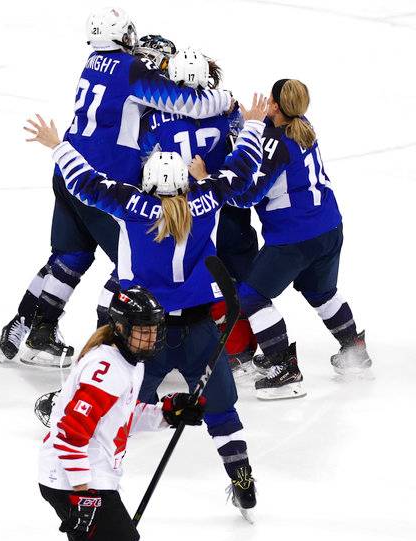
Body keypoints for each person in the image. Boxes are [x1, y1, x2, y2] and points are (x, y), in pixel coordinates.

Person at [25, 92, 268, 517]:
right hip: (199, 330)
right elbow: (242, 171)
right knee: (222, 412)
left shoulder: (135, 207)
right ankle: (242, 480)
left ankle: (77, 443)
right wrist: (253, 125)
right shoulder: (204, 201)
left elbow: (86, 183)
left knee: (117, 407)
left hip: (142, 333)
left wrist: (57, 144)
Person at [0, 10, 236, 369]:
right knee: (129, 264)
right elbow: (191, 103)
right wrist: (227, 99)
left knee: (70, 255)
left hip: (69, 168)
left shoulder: (94, 60)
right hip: (100, 183)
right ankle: (108, 351)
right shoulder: (132, 72)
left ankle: (27, 327)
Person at [38, 286, 206, 541]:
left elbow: (117, 422)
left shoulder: (125, 362)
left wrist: (167, 413)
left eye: (153, 329)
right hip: (77, 478)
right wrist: (83, 494)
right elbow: (68, 433)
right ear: (119, 326)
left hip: (67, 475)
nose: (149, 336)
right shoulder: (109, 368)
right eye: (141, 329)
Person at [230, 79, 371, 399]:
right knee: (321, 292)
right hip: (329, 228)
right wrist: (254, 121)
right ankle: (354, 350)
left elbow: (247, 196)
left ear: (276, 106)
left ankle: (283, 368)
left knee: (252, 295)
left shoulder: (275, 145)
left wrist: (214, 190)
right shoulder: (302, 125)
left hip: (295, 238)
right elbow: (272, 133)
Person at [138, 49, 259, 374]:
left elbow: (143, 161)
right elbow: (245, 142)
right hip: (225, 201)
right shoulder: (225, 107)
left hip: (182, 208)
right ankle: (244, 349)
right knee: (241, 278)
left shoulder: (154, 116)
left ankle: (167, 352)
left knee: (181, 277)